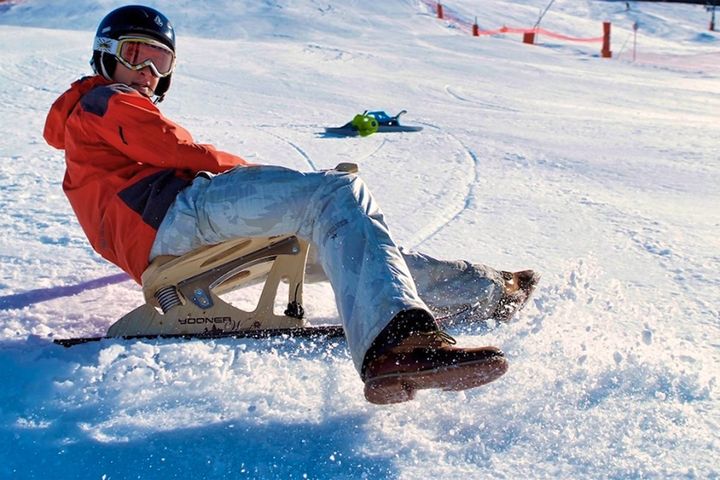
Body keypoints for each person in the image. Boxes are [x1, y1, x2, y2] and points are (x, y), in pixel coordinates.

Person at [44, 5, 538, 404]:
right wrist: (256, 176)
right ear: (105, 56)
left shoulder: (90, 139)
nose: (148, 73)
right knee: (333, 194)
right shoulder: (102, 100)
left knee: (343, 243)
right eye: (136, 55)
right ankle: (394, 343)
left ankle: (487, 290)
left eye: (161, 62)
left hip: (167, 239)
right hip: (178, 215)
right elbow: (176, 150)